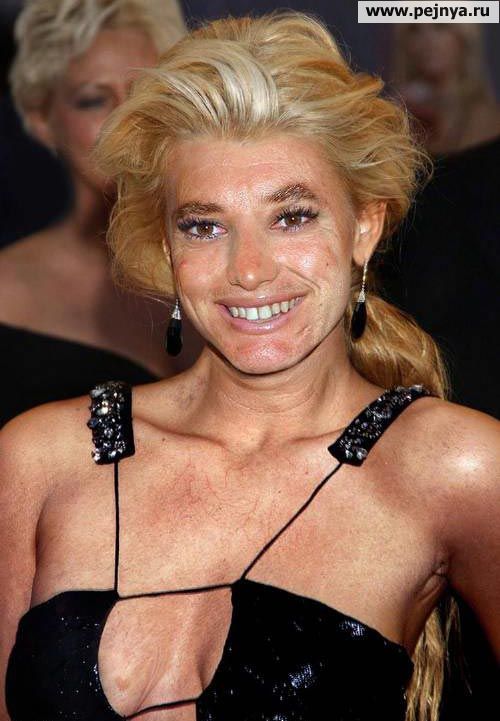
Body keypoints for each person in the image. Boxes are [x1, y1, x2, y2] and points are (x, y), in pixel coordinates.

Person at [1, 12, 499, 721]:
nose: (250, 270)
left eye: (292, 216)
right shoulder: (42, 458)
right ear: (167, 248)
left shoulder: (455, 468)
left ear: (363, 226)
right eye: (204, 226)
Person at [0, 0, 190, 426]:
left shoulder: (235, 260)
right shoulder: (7, 294)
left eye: (146, 93)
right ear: (42, 120)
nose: (126, 120)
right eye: (93, 101)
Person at [393, 23, 500, 155]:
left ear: (464, 37)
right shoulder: (397, 113)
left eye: (440, 26)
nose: (428, 41)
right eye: (414, 29)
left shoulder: (488, 119)